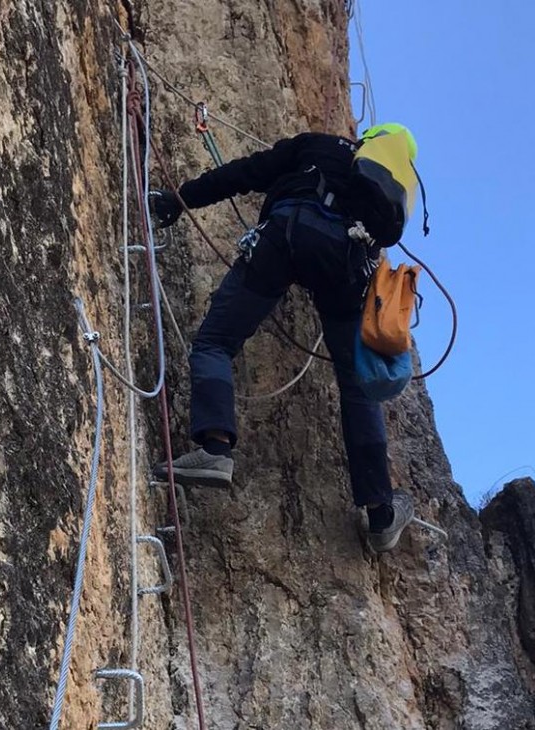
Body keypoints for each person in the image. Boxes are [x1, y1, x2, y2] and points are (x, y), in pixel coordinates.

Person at [150, 124, 419, 553]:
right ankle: (380, 513)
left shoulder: (321, 145)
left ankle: (215, 448)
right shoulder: (383, 195)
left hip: (290, 234)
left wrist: (179, 198)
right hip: (349, 266)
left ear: (367, 140)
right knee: (357, 391)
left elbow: (246, 172)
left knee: (216, 340)